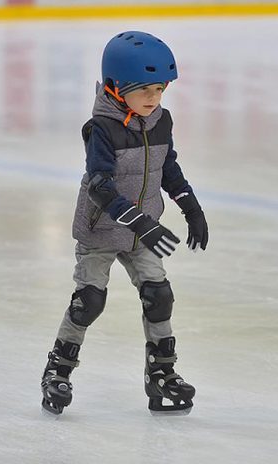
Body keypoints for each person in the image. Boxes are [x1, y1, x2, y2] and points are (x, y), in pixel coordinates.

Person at [40, 31, 209, 416]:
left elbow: (169, 168)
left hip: (141, 232)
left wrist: (191, 207)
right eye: (143, 89)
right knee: (89, 302)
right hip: (103, 229)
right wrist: (142, 223)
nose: (154, 98)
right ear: (116, 88)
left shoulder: (160, 121)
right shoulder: (101, 128)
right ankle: (57, 371)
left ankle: (162, 374)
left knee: (159, 295)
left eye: (160, 89)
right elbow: (100, 186)